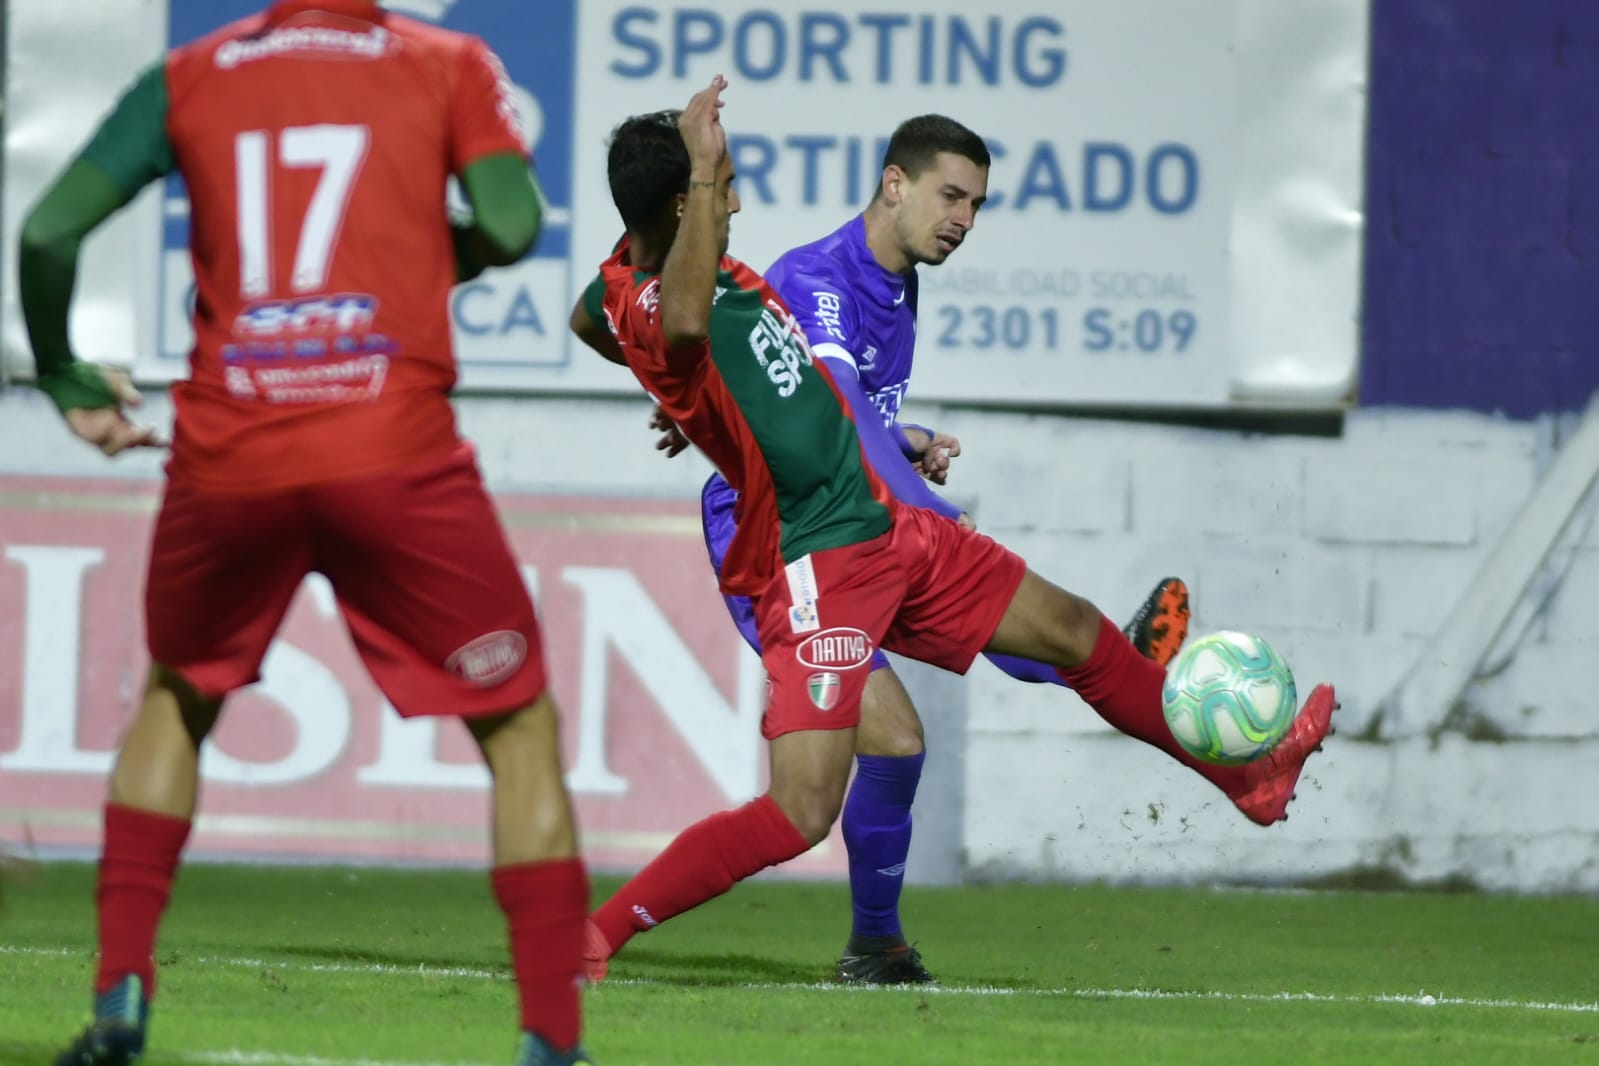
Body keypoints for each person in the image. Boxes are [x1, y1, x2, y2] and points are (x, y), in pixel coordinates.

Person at [567, 75, 1338, 984]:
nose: (735, 202)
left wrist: (690, 397)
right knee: (801, 811)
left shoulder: (642, 279)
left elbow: (606, 322)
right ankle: (595, 934)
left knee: (1073, 632)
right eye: (721, 186)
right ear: (682, 201)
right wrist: (681, 356)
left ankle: (1247, 779)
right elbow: (682, 321)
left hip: (881, 516)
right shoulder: (684, 296)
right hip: (817, 553)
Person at [19, 4, 590, 1064]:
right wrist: (422, 258)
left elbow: (46, 233)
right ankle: (551, 1041)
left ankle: (118, 1002)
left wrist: (61, 372)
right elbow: (513, 227)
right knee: (516, 725)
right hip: (391, 451)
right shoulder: (446, 63)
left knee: (176, 696)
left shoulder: (192, 73)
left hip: (230, 453)